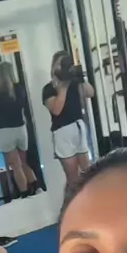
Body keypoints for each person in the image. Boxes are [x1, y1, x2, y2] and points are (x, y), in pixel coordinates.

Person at [42, 51, 94, 184]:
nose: (62, 68)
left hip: (79, 128)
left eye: (65, 64)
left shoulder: (75, 83)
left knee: (88, 173)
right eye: (60, 64)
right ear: (54, 67)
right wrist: (63, 87)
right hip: (62, 132)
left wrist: (81, 78)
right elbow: (56, 110)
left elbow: (90, 93)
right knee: (73, 177)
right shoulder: (48, 89)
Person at [0, 62, 37, 198]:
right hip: (21, 129)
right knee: (24, 163)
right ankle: (35, 189)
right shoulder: (19, 89)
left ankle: (24, 194)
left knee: (16, 166)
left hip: (6, 131)